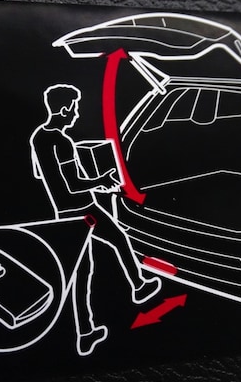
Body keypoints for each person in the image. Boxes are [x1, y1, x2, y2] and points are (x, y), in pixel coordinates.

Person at [30, 84, 161, 356]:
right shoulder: (62, 142)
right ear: (64, 109)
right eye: (74, 108)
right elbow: (73, 185)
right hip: (82, 210)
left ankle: (86, 333)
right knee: (117, 239)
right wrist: (101, 180)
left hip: (62, 213)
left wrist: (90, 179)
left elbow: (40, 176)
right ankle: (138, 287)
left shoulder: (38, 137)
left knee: (83, 271)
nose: (76, 113)